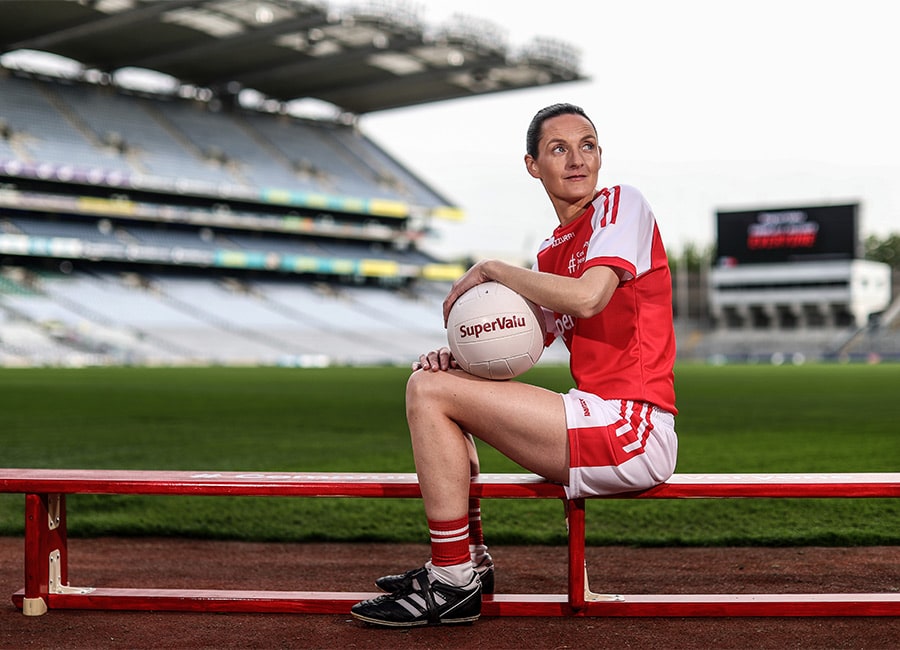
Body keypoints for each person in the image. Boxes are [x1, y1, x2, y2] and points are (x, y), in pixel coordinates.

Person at [351, 102, 678, 627]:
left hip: (633, 428)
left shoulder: (621, 206)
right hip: (595, 417)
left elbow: (590, 298)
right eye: (558, 148)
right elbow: (517, 348)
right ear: (533, 166)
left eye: (588, 145)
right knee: (433, 383)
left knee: (427, 392)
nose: (577, 159)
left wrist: (493, 269)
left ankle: (451, 580)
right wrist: (454, 359)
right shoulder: (552, 251)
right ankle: (466, 566)